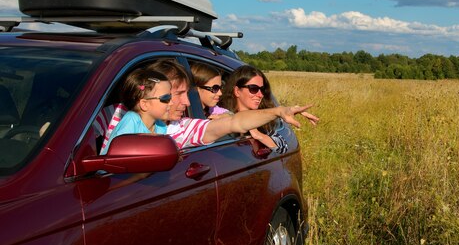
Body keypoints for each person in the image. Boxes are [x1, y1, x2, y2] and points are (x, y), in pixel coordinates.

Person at [97, 59, 318, 154]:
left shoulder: (179, 128)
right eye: (177, 95)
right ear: (146, 98)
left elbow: (234, 121)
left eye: (188, 94)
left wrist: (280, 111)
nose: (186, 102)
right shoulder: (111, 113)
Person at [221, 65, 317, 154]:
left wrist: (258, 135)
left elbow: (283, 147)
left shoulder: (262, 120)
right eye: (253, 89)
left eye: (262, 89)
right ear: (237, 91)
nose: (260, 95)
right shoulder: (224, 116)